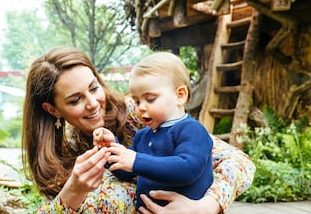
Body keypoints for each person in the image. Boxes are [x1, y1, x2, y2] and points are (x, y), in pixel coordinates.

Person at [21, 46, 255, 214]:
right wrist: (72, 191)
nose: (92, 103)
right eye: (75, 100)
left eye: (94, 88)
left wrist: (206, 206)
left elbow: (238, 161)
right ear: (53, 110)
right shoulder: (57, 157)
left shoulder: (143, 112)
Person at [92, 52, 213, 211]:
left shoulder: (192, 130)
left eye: (150, 99)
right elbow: (125, 172)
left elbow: (188, 169)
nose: (141, 107)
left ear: (180, 95)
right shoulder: (142, 136)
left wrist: (136, 161)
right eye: (136, 101)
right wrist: (111, 148)